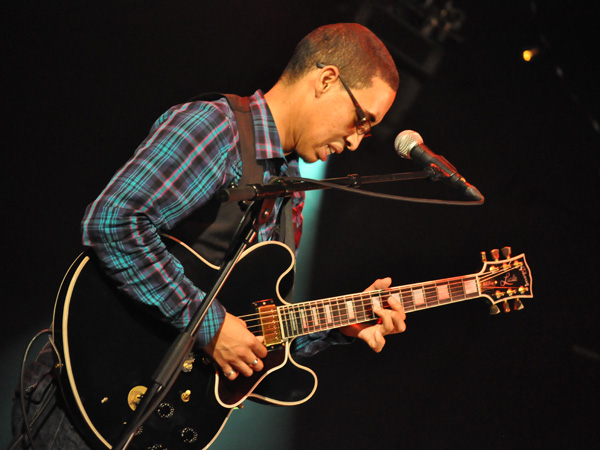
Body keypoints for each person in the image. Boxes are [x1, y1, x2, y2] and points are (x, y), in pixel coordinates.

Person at [10, 22, 407, 449]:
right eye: (362, 120)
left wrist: (337, 326)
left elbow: (254, 320)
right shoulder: (219, 129)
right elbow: (113, 222)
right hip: (91, 394)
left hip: (152, 422)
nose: (356, 142)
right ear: (327, 80)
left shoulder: (290, 185)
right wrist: (212, 327)